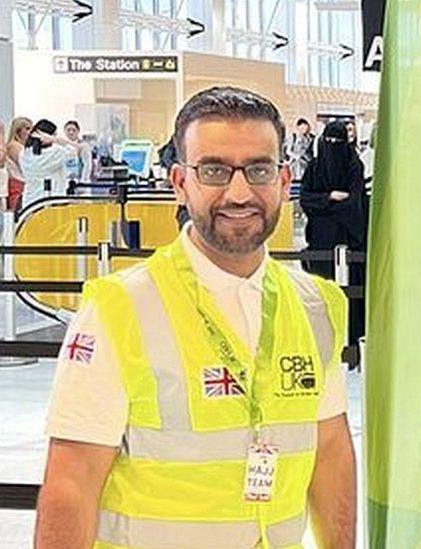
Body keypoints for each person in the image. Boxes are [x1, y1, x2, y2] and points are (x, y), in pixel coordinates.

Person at [35, 87, 356, 549]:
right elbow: (71, 486)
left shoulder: (317, 305)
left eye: (259, 169)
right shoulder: (119, 308)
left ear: (285, 182)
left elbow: (330, 455)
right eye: (214, 170)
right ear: (180, 182)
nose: (240, 191)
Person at [299, 120, 366, 279]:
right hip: (320, 238)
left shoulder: (354, 166)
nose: (332, 145)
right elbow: (304, 199)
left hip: (346, 237)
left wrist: (320, 206)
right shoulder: (314, 167)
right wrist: (330, 196)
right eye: (328, 140)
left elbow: (354, 205)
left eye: (337, 141)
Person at [20, 119, 80, 207]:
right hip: (52, 202)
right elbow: (75, 149)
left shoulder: (24, 154)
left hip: (30, 202)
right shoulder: (56, 153)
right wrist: (54, 139)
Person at [5, 116, 31, 212]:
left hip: (21, 184)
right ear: (18, 130)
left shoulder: (21, 146)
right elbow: (25, 165)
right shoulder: (14, 146)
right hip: (17, 184)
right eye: (27, 129)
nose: (30, 132)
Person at [286, 117, 315, 184]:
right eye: (302, 128)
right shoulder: (293, 137)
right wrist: (296, 156)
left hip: (305, 164)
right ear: (298, 127)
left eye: (305, 128)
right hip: (295, 164)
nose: (304, 130)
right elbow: (288, 151)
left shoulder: (309, 138)